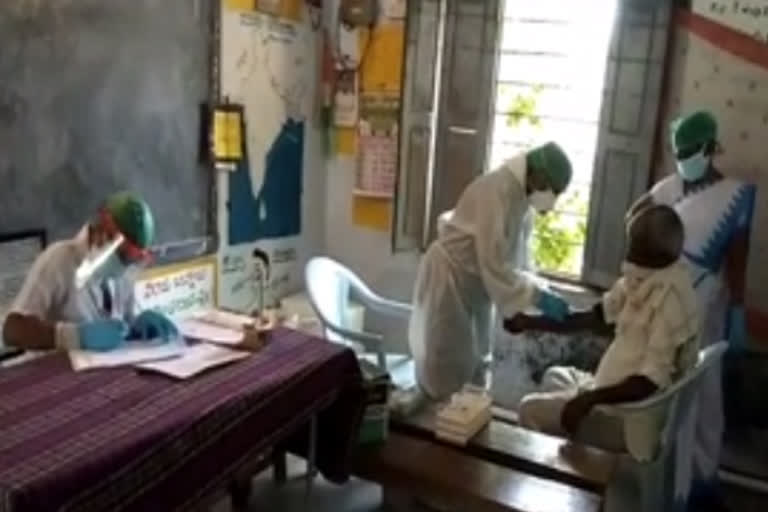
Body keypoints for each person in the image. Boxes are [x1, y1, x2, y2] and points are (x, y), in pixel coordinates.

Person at [627, 110, 755, 511]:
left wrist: (738, 310)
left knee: (706, 398)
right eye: (679, 151)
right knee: (666, 394)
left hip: (706, 310)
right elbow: (634, 220)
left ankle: (701, 481)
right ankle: (666, 485)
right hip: (662, 306)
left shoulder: (736, 194)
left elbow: (738, 260)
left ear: (710, 148)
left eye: (690, 151)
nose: (684, 158)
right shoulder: (668, 189)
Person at [515, 205, 699, 456]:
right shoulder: (641, 277)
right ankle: (576, 458)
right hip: (604, 392)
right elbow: (594, 317)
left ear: (651, 254)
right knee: (554, 375)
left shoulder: (669, 300)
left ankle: (557, 479)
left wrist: (589, 400)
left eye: (634, 245)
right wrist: (531, 322)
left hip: (626, 418)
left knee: (529, 410)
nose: (628, 254)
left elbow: (648, 383)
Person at [408, 141, 573, 401]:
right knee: (442, 360)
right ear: (537, 175)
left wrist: (535, 294)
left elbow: (518, 261)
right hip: (449, 279)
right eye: (553, 191)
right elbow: (494, 263)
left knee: (477, 362)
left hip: (477, 287)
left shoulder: (521, 201)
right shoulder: (495, 190)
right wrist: (535, 297)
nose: (551, 201)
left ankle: (464, 424)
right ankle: (433, 431)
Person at [3, 192, 178, 352]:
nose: (124, 267)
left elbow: (124, 321)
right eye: (121, 256)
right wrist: (75, 336)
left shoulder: (124, 271)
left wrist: (137, 324)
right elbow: (12, 330)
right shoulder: (59, 259)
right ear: (103, 233)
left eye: (131, 260)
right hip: (54, 377)